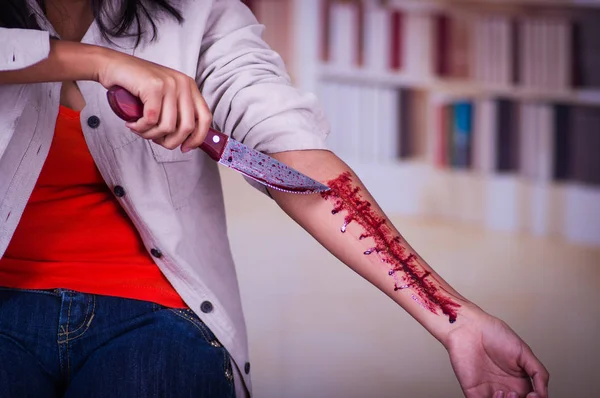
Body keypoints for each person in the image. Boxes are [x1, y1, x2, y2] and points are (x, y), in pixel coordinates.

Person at [0, 0, 549, 397]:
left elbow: (294, 156)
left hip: (157, 317)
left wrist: (456, 320)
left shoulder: (200, 16)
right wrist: (93, 61)